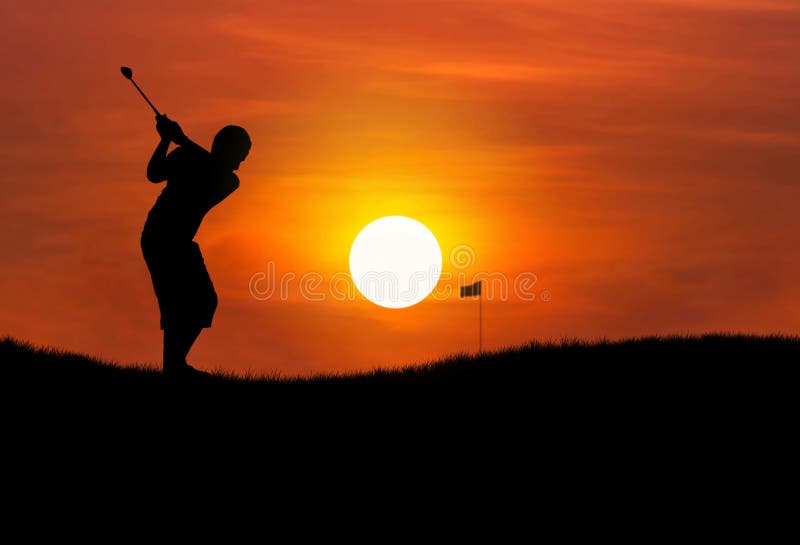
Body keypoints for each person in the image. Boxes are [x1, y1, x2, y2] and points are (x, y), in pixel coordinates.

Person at [141, 114, 251, 378]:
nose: (243, 161)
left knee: (202, 302)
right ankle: (174, 368)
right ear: (227, 149)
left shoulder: (228, 181)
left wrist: (180, 139)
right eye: (242, 153)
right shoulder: (190, 157)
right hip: (160, 237)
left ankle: (174, 365)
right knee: (182, 303)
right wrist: (167, 140)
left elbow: (212, 170)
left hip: (178, 241)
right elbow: (154, 174)